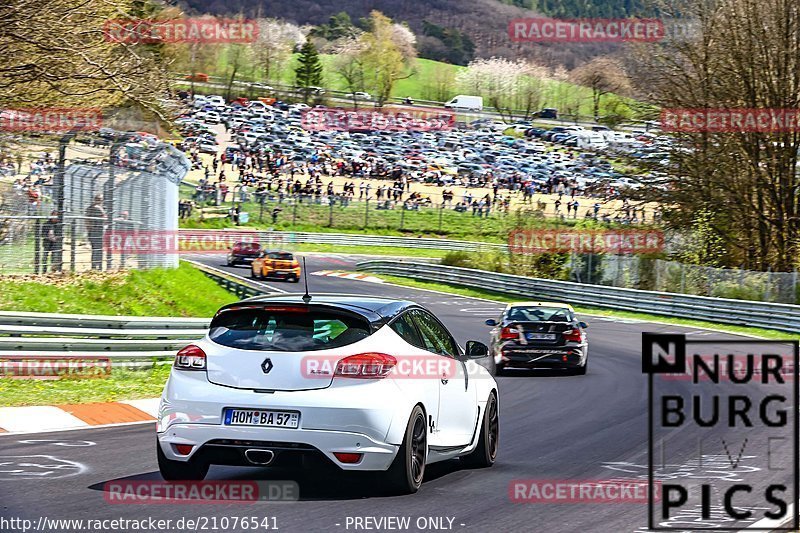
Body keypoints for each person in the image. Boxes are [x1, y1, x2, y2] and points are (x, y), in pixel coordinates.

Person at [85, 195, 105, 270]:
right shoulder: (98, 208)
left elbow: (86, 221)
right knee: (99, 249)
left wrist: (89, 229)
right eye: (101, 200)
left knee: (94, 249)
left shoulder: (89, 208)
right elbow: (105, 218)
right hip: (98, 231)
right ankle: (99, 267)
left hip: (91, 231)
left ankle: (94, 266)